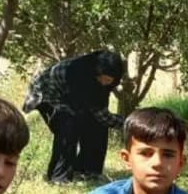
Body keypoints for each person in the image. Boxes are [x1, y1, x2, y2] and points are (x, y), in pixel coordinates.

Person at [23, 50, 125, 182]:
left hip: (71, 96)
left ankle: (88, 171)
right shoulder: (80, 73)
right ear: (96, 73)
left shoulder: (105, 78)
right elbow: (100, 114)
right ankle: (58, 177)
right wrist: (127, 123)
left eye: (107, 80)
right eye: (101, 78)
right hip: (47, 94)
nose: (103, 82)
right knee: (68, 127)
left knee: (97, 126)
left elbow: (99, 111)